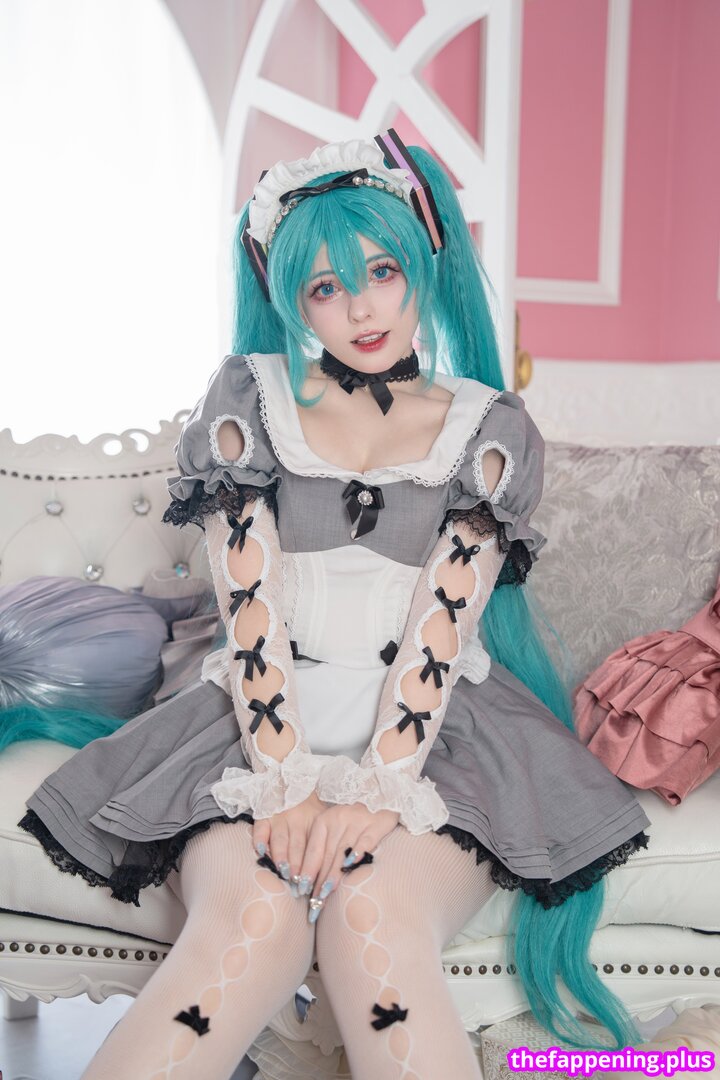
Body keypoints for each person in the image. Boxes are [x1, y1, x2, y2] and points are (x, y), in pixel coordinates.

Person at [18, 132, 651, 1080]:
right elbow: (251, 614)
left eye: (382, 272)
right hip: (255, 726)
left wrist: (378, 792)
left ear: (420, 266)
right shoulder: (250, 402)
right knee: (253, 918)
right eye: (325, 287)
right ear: (290, 298)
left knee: (371, 918)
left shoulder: (487, 429)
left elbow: (442, 631)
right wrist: (286, 783)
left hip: (436, 738)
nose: (360, 309)